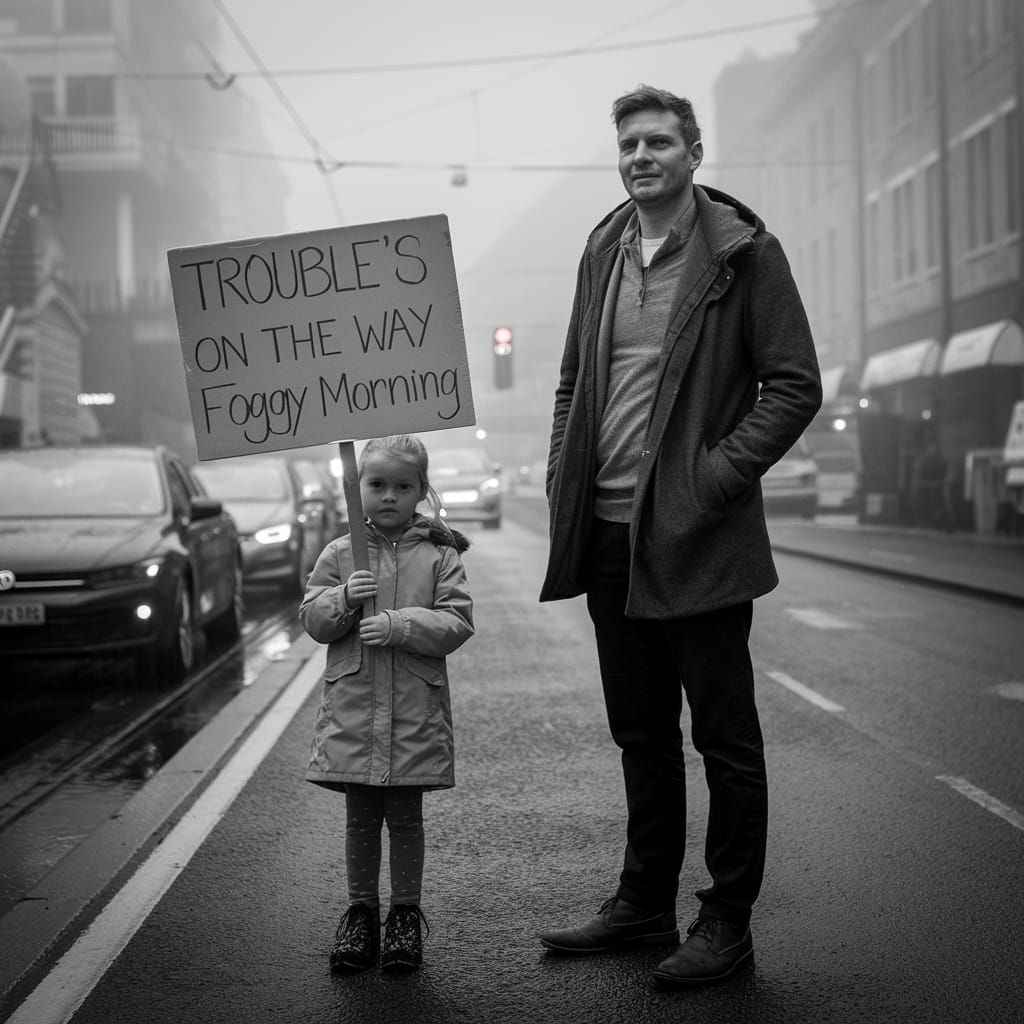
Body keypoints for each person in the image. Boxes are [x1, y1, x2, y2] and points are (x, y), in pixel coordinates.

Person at [538, 85, 822, 986]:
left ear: (694, 152)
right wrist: (561, 475)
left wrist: (713, 479)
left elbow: (794, 385)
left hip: (698, 535)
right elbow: (572, 380)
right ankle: (643, 903)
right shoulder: (602, 250)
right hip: (612, 534)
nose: (640, 156)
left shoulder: (744, 255)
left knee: (725, 740)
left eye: (658, 141)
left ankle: (728, 921)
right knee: (641, 734)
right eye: (628, 144)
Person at [299, 434, 473, 973]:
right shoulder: (338, 554)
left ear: (422, 489)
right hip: (354, 709)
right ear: (359, 488)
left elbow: (457, 622)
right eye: (377, 485)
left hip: (411, 711)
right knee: (359, 818)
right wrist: (344, 598)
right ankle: (360, 914)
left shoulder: (440, 555)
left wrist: (399, 625)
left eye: (403, 486)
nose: (390, 496)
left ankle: (403, 916)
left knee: (404, 817)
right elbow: (313, 620)